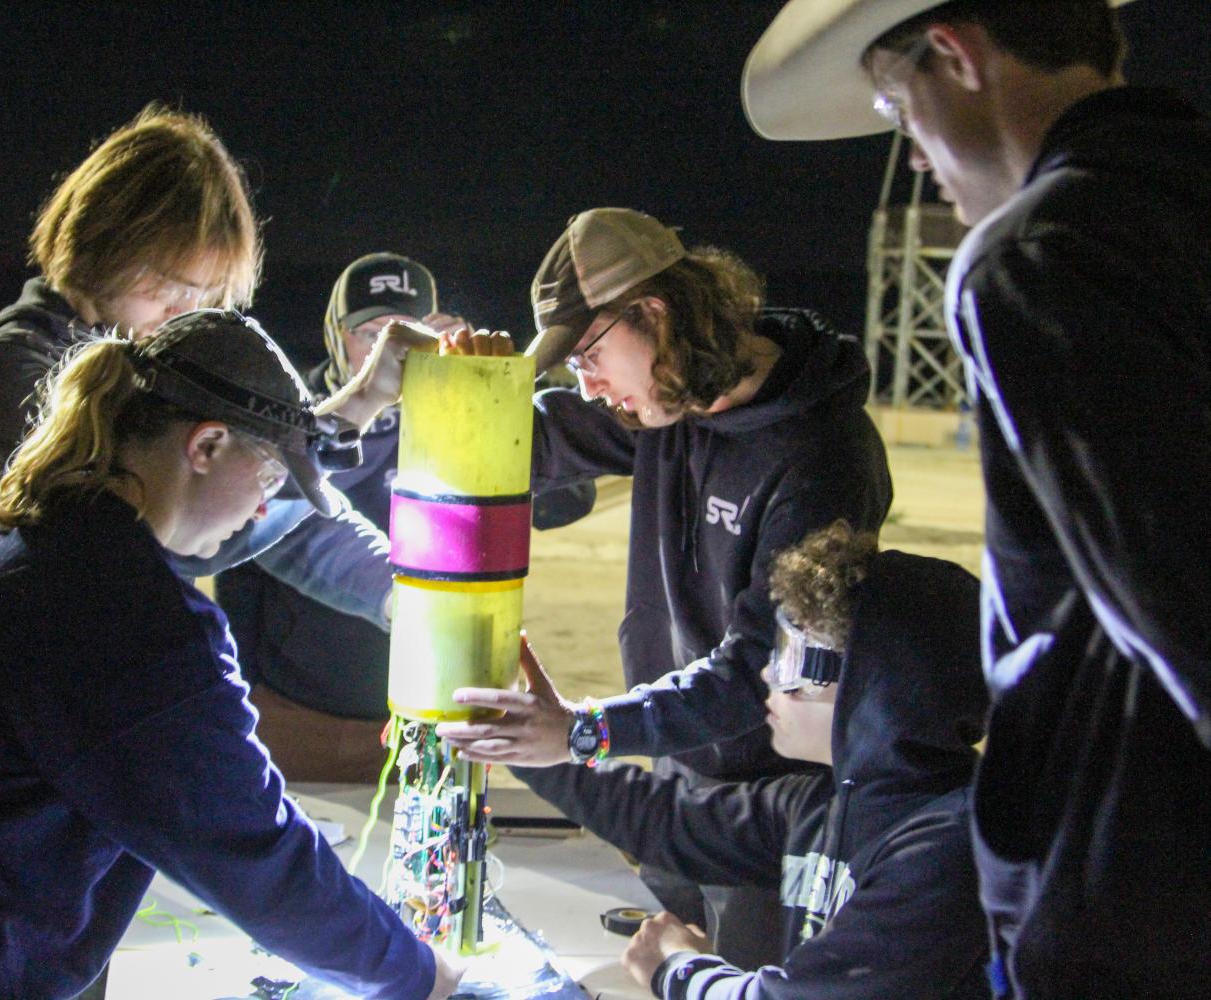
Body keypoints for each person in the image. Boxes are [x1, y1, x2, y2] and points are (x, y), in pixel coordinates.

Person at [0, 310, 462, 1000]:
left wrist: (360, 403)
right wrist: (422, 975)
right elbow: (259, 859)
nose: (266, 510)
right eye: (269, 480)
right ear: (204, 445)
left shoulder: (25, 535)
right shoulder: (125, 622)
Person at [742, 2, 1211, 997]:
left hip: (1132, 885)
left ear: (954, 53)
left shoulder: (1038, 257)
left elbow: (1178, 606)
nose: (911, 155)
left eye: (894, 104)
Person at [433, 208, 892, 966]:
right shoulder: (668, 400)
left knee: (734, 978)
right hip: (676, 766)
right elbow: (531, 441)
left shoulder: (823, 454)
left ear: (653, 313)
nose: (590, 387)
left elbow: (759, 671)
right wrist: (467, 389)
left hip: (777, 807)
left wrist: (583, 731)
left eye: (589, 357)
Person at [453, 522, 990, 998]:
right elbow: (669, 820)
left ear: (878, 684)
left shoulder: (945, 847)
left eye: (795, 659)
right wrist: (524, 742)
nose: (768, 677)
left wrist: (677, 966)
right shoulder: (825, 802)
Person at [0, 105, 403, 628]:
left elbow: (268, 497)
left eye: (206, 297)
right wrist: (358, 402)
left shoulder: (159, 360)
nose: (183, 313)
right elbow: (166, 530)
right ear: (104, 240)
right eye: (169, 286)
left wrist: (400, 596)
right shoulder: (12, 367)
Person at [218, 252, 597, 780]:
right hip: (302, 707)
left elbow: (566, 504)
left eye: (399, 334)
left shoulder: (448, 411)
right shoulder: (292, 413)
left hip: (429, 713)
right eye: (367, 332)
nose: (381, 349)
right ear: (334, 333)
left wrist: (488, 390)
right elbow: (260, 543)